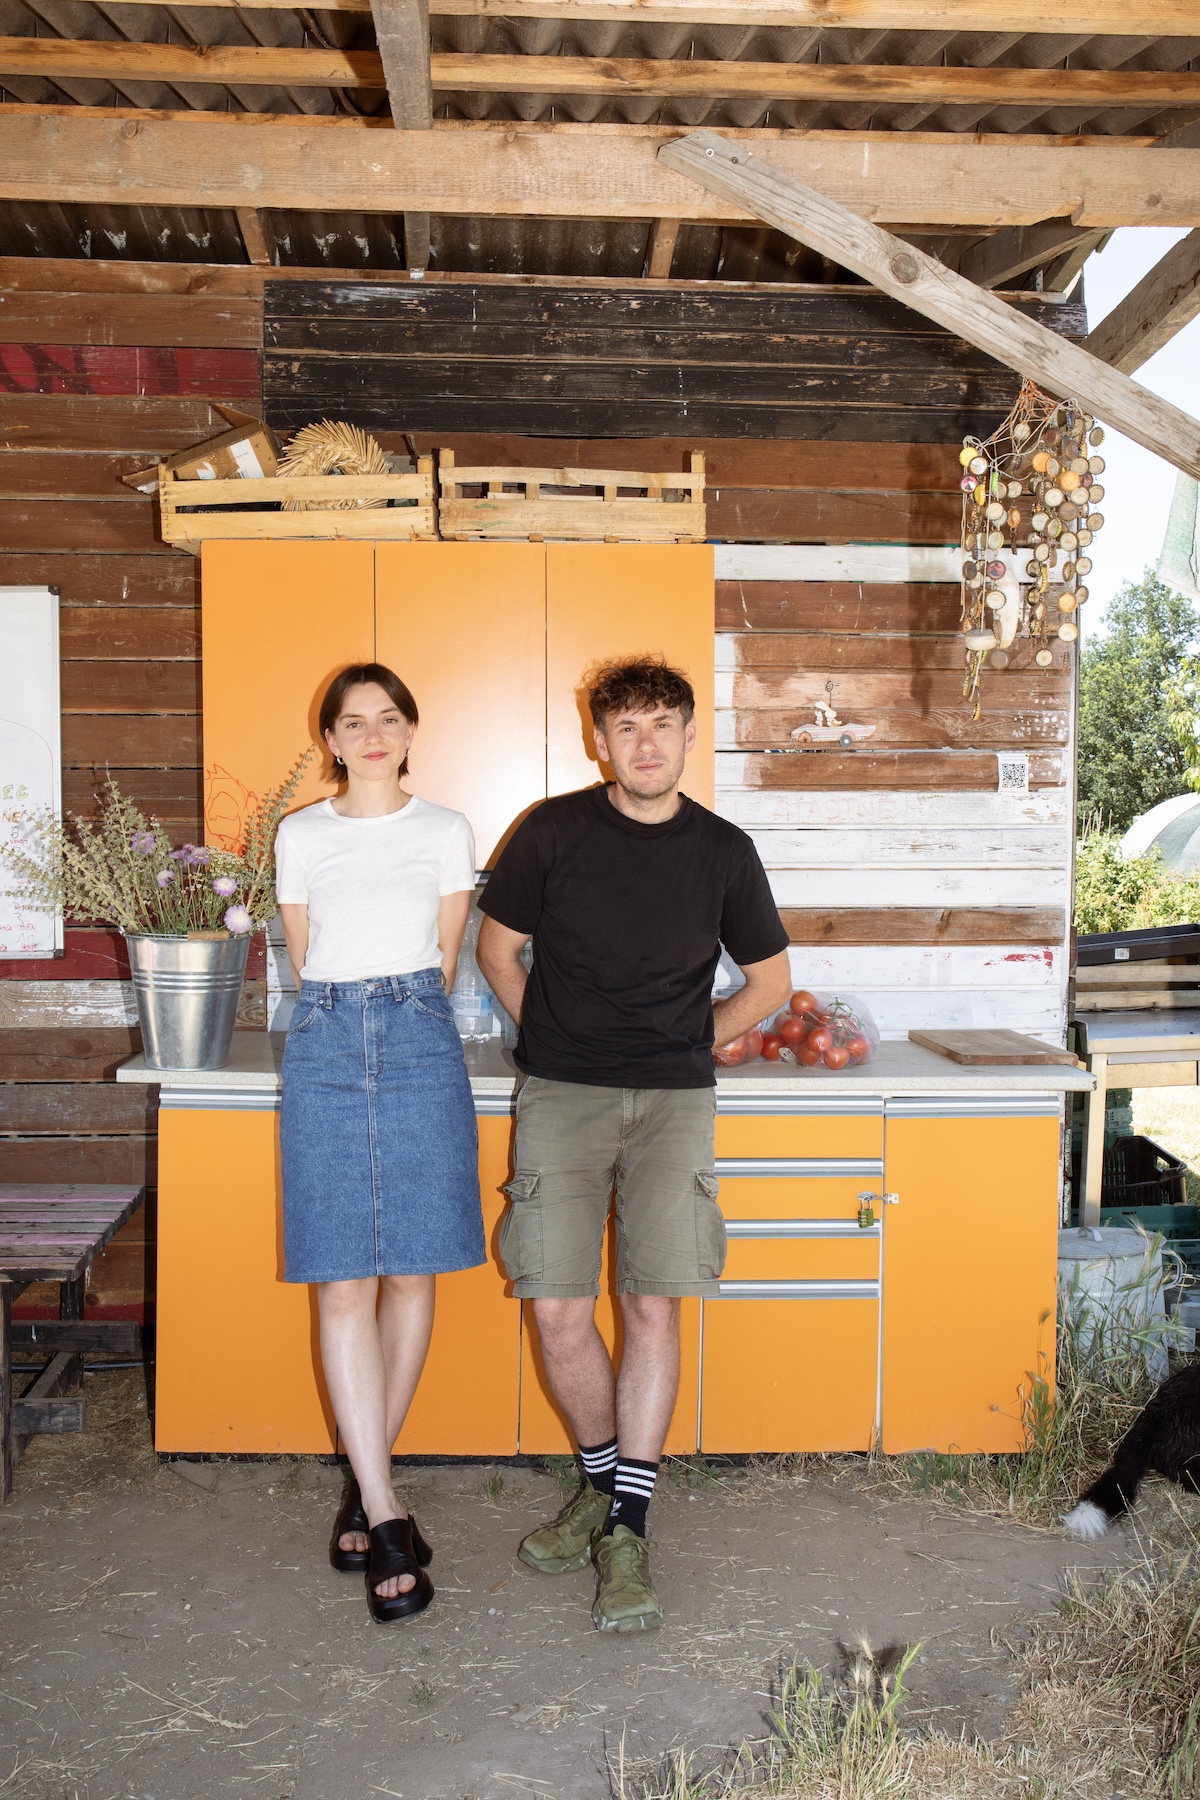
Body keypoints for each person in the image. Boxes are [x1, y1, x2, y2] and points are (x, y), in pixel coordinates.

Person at [477, 655, 792, 1634]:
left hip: (672, 1104)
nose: (645, 743)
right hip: (561, 1097)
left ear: (689, 735)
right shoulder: (551, 832)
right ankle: (606, 1484)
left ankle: (626, 1527)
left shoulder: (724, 851)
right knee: (557, 1309)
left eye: (662, 724)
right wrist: (555, 1035)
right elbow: (495, 949)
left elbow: (771, 983)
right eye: (627, 727)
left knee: (653, 1305)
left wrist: (685, 1041)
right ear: (599, 741)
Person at [275, 661, 485, 1625]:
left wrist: (398, 1015)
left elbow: (444, 955)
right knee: (341, 1281)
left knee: (411, 1271)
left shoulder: (445, 830)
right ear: (330, 738)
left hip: (417, 1033)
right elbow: (302, 955)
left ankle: (367, 1486)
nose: (371, 735)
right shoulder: (299, 834)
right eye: (353, 721)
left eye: (388, 718)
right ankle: (387, 1512)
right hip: (323, 1041)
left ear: (409, 731)